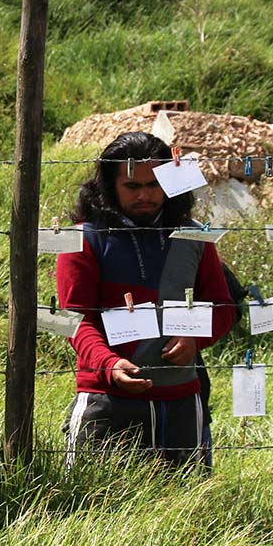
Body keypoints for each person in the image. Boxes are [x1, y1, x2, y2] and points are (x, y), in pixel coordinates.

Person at [57, 132, 237, 468]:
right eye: (132, 186)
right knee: (93, 499)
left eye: (154, 185)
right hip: (106, 400)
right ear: (109, 186)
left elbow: (223, 307)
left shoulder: (194, 234)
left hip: (181, 402)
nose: (145, 195)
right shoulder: (83, 239)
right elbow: (75, 319)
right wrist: (109, 364)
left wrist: (195, 339)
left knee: (186, 498)